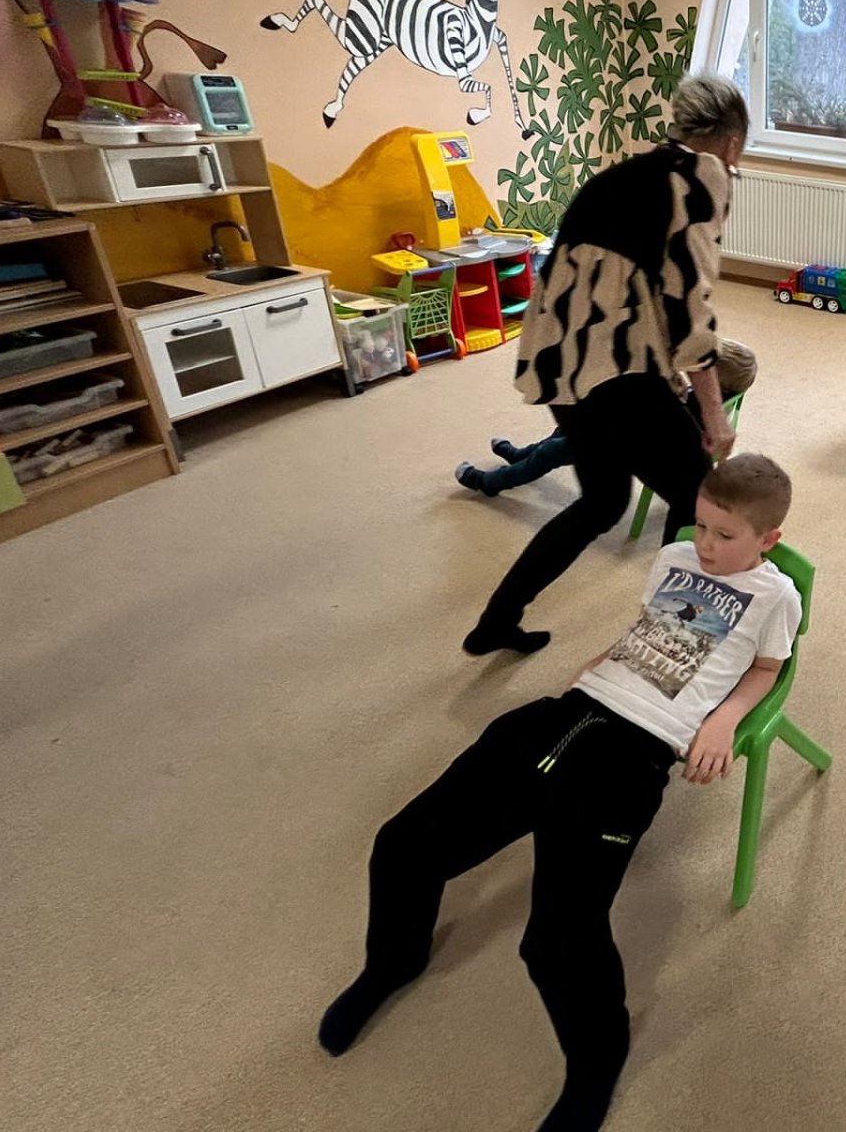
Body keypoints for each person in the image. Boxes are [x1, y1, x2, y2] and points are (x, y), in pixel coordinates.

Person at [319, 455, 802, 1131]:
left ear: (767, 540)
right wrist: (600, 664)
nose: (705, 544)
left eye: (725, 535)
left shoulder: (777, 596)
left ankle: (598, 1061)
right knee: (403, 844)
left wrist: (723, 720)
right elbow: (653, 628)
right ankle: (393, 962)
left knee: (557, 942)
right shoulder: (673, 557)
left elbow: (767, 670)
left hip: (635, 755)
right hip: (568, 713)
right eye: (700, 524)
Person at [464, 75, 747, 657]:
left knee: (602, 502)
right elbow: (689, 301)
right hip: (614, 369)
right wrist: (714, 416)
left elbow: (627, 285)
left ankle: (495, 623)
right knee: (697, 495)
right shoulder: (701, 175)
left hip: (558, 365)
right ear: (732, 143)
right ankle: (668, 641)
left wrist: (663, 369)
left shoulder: (626, 176)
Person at [456, 338, 760, 498]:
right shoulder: (711, 401)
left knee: (552, 452)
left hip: (624, 445)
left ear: (719, 384)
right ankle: (521, 455)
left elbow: (657, 428)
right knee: (564, 427)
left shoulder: (698, 411)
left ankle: (491, 482)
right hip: (622, 425)